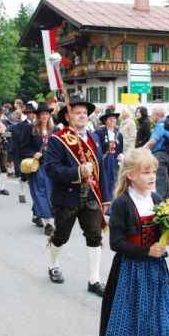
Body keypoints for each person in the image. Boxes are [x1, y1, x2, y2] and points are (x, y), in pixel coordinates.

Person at [98, 148, 169, 336]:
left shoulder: (156, 199)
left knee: (163, 322)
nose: (152, 176)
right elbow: (116, 243)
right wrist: (146, 251)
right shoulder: (122, 203)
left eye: (153, 171)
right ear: (131, 175)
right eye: (145, 172)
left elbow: (161, 234)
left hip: (155, 270)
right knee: (131, 321)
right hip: (130, 271)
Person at [45, 95, 111, 297]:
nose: (82, 116)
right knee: (61, 236)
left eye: (85, 113)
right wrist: (77, 172)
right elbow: (51, 169)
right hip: (67, 197)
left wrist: (105, 198)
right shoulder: (57, 139)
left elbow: (101, 169)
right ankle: (53, 264)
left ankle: (94, 280)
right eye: (77, 112)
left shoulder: (94, 138)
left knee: (95, 236)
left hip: (91, 196)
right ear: (68, 116)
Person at [20, 102, 55, 235]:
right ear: (38, 116)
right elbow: (23, 147)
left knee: (50, 191)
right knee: (41, 192)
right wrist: (33, 153)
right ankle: (48, 223)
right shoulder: (30, 129)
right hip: (37, 166)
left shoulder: (54, 130)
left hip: (50, 166)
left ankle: (36, 214)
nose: (44, 116)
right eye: (42, 114)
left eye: (46, 114)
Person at [95, 108, 124, 201]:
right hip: (104, 161)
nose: (113, 120)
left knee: (114, 181)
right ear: (105, 121)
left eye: (114, 118)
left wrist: (120, 156)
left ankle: (113, 201)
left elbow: (120, 150)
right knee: (104, 181)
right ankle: (104, 201)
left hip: (114, 162)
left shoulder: (119, 134)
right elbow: (97, 148)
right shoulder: (99, 133)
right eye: (110, 118)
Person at [144, 107, 169, 199]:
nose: (151, 116)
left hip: (159, 155)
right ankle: (166, 200)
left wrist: (141, 151)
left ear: (157, 115)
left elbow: (152, 141)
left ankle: (160, 202)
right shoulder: (168, 123)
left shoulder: (160, 125)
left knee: (160, 179)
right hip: (167, 154)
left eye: (152, 114)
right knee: (165, 178)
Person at [13, 103, 35, 204]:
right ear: (26, 114)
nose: (31, 115)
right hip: (25, 153)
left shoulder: (38, 124)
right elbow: (18, 142)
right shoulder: (20, 126)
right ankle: (21, 192)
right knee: (24, 176)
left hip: (36, 153)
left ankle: (35, 195)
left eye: (33, 113)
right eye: (29, 113)